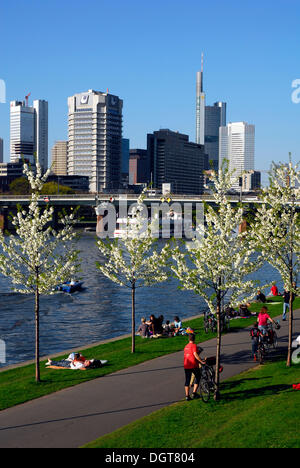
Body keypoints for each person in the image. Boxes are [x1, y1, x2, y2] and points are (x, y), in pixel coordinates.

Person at [184, 333, 206, 401]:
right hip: (193, 365)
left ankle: (187, 396)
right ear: (194, 339)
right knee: (198, 376)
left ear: (189, 339)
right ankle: (194, 393)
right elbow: (195, 354)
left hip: (186, 365)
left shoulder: (186, 346)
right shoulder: (194, 345)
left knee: (187, 380)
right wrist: (201, 361)